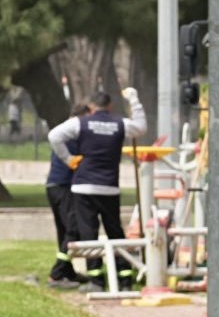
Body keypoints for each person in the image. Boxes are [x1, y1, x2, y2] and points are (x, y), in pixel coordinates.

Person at [48, 85, 149, 286]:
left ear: (92, 107)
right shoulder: (120, 123)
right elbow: (141, 127)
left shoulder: (81, 123)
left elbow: (54, 136)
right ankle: (125, 277)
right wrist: (134, 99)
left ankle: (96, 279)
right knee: (115, 232)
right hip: (109, 187)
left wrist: (68, 159)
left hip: (83, 186)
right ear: (110, 106)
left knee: (88, 233)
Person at [44, 101, 90, 286]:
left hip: (53, 186)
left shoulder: (65, 133)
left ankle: (68, 272)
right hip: (64, 186)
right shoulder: (72, 135)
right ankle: (57, 273)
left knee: (64, 231)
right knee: (73, 229)